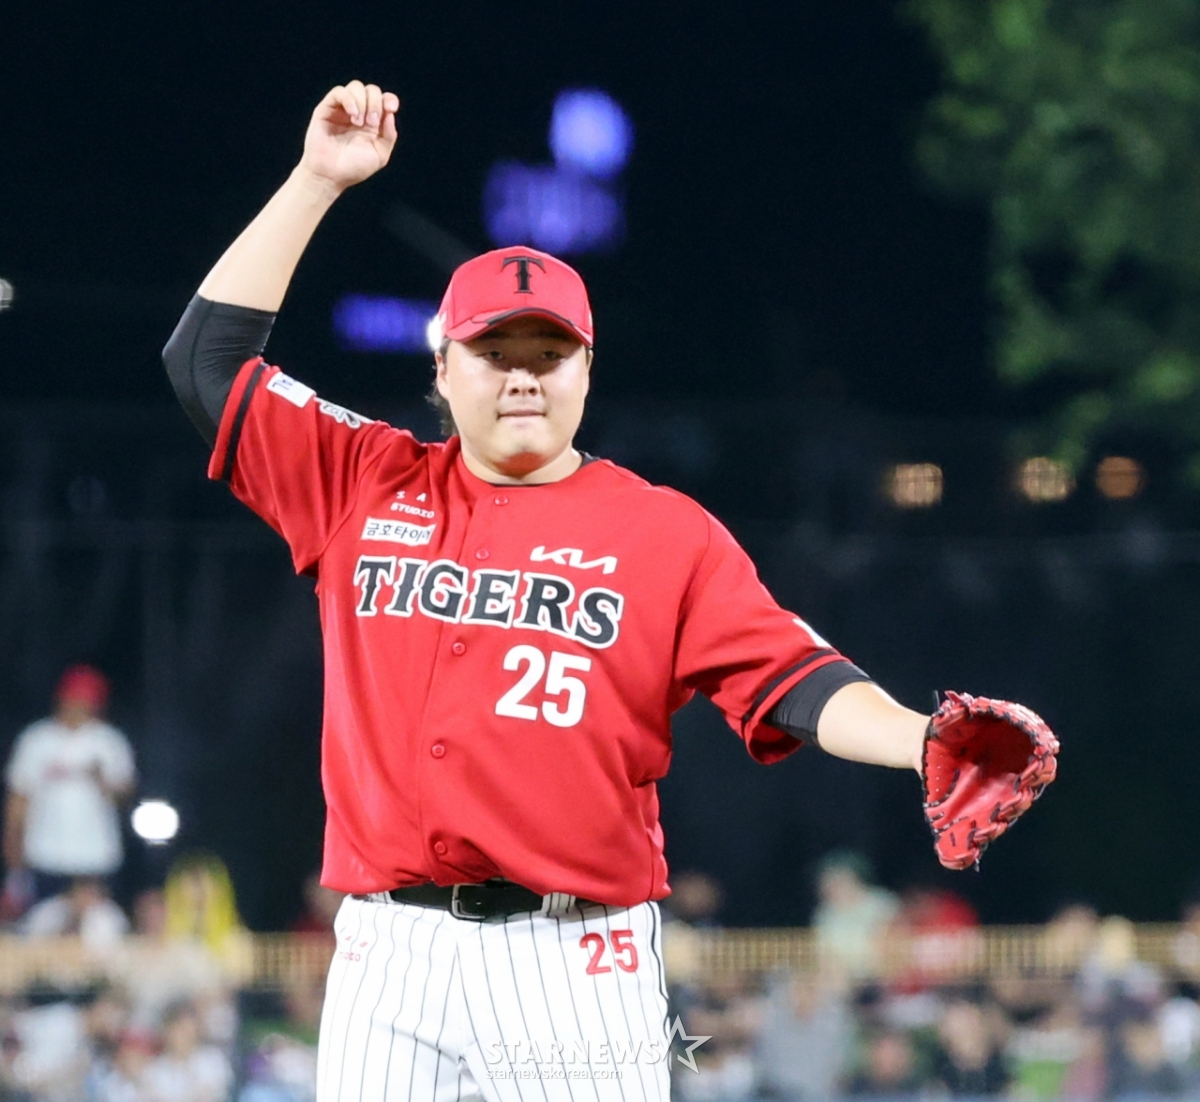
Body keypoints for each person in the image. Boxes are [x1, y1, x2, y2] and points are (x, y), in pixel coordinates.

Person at [160, 80, 1046, 1102]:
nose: (522, 375)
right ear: (442, 368)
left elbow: (795, 677)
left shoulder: (660, 532)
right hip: (387, 949)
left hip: (574, 955)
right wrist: (316, 180)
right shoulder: (363, 480)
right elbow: (205, 362)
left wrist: (920, 737)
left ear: (587, 369)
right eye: (493, 351)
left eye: (550, 352)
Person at [3, 666, 136, 901]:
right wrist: (13, 844)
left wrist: (101, 780)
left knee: (97, 919)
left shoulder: (109, 741)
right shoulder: (37, 739)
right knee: (44, 918)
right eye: (73, 699)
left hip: (96, 855)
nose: (77, 706)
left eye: (85, 701)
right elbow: (19, 796)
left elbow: (125, 798)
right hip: (44, 853)